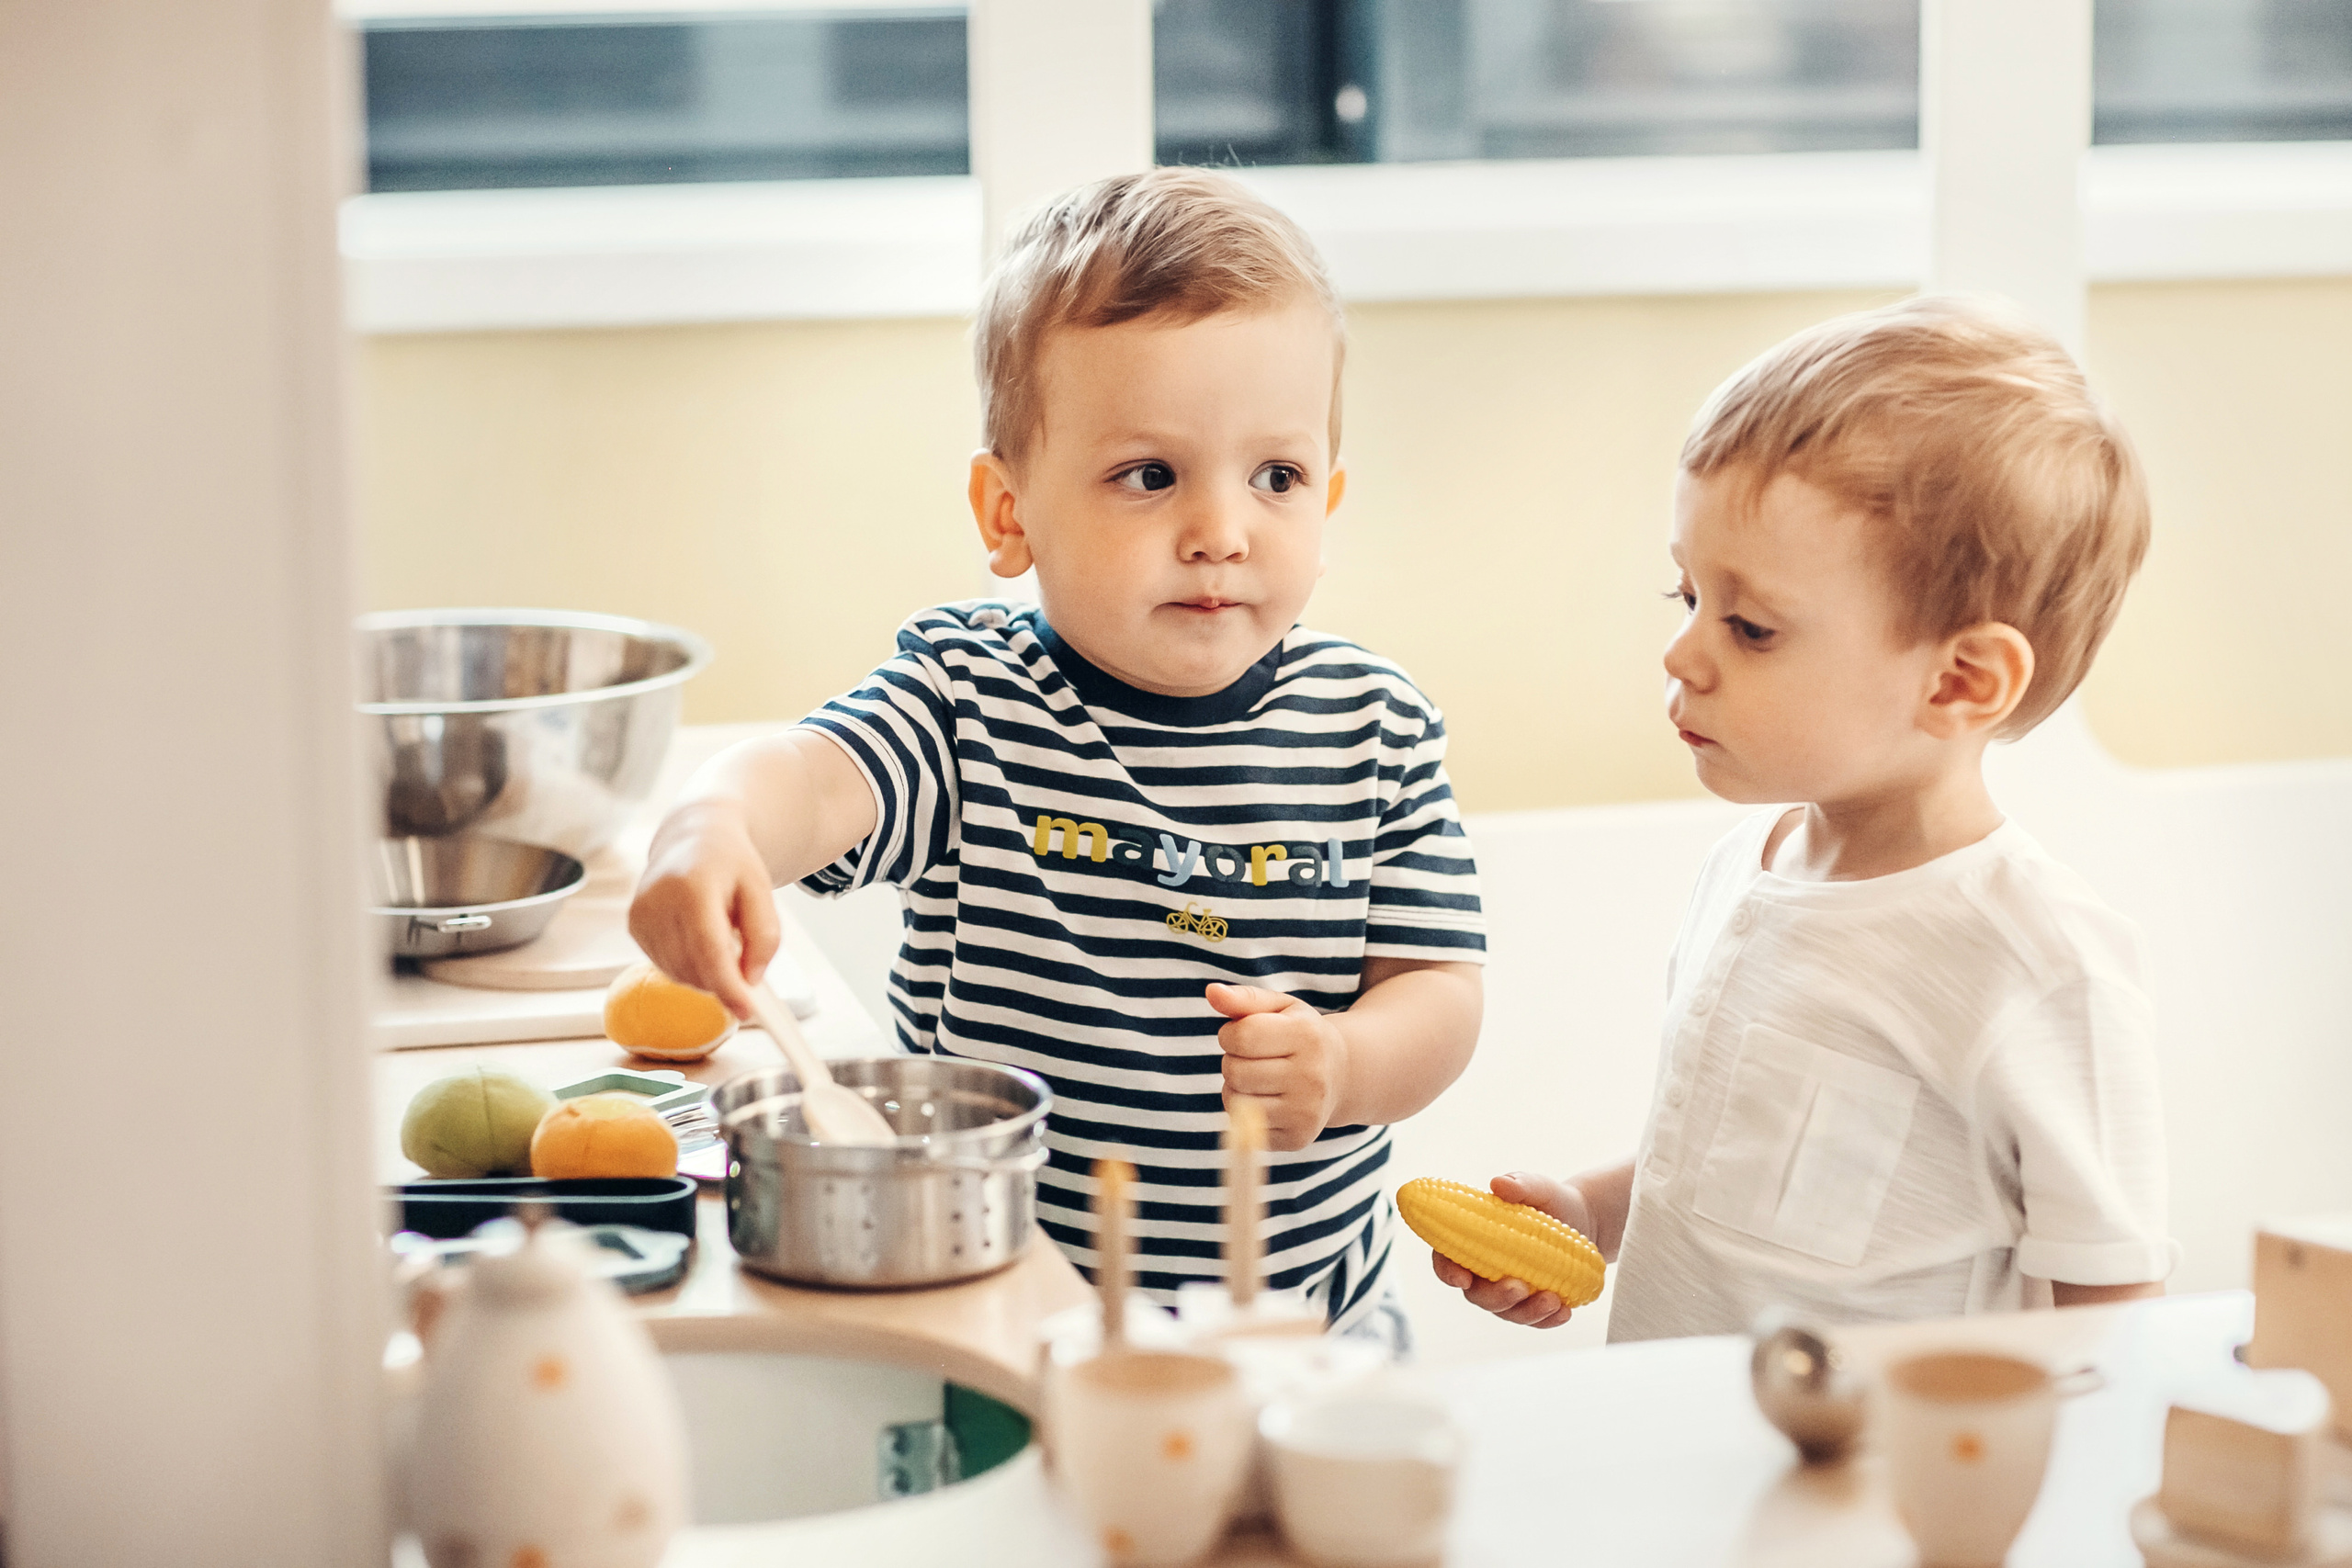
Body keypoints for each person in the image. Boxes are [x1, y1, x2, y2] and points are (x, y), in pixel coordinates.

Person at [629, 168, 1486, 1340]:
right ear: (1008, 514)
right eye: (1149, 476)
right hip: (1002, 1306)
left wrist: (1344, 1063)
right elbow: (815, 781)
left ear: (1325, 504)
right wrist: (710, 823)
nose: (1221, 532)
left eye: (1275, 478)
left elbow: (1438, 993)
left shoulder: (1375, 727)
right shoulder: (968, 702)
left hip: (1309, 1328)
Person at [1434, 295, 2174, 1339]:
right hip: (1692, 1451)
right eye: (1683, 597)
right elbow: (1722, 1167)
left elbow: (2113, 1320)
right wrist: (1592, 1216)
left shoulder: (2038, 965)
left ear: (1960, 680)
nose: (1684, 654)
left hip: (1883, 1486)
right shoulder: (1750, 869)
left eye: (1750, 626)